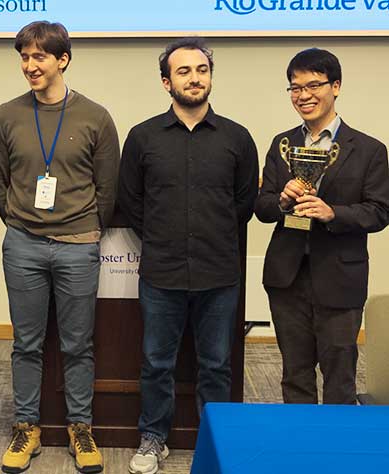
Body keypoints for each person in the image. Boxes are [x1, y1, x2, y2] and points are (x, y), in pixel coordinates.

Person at [118, 37, 259, 474]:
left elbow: (242, 203)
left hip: (220, 273)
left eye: (201, 69)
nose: (194, 78)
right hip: (161, 273)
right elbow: (130, 202)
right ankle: (153, 438)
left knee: (216, 365)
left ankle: (215, 442)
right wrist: (164, 238)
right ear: (167, 82)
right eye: (184, 71)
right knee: (156, 363)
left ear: (210, 76)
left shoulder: (237, 137)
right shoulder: (143, 137)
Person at [0, 21, 120, 474]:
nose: (30, 65)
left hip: (78, 246)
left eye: (39, 57)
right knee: (25, 343)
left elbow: (107, 189)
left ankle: (80, 429)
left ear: (62, 59)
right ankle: (27, 427)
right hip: (23, 245)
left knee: (78, 343)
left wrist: (81, 228)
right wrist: (22, 222)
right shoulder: (6, 115)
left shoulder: (95, 116)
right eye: (24, 57)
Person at [255, 48, 389, 406]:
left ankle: (337, 456)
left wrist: (334, 213)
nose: (304, 95)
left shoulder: (369, 150)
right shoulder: (282, 145)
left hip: (340, 278)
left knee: (340, 374)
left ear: (336, 86)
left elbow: (379, 212)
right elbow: (263, 207)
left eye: (313, 85)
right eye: (295, 88)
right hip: (287, 277)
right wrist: (282, 201)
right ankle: (298, 453)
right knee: (294, 375)